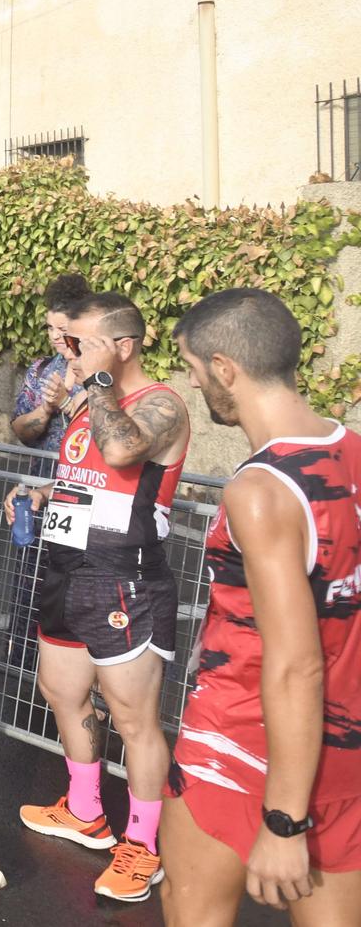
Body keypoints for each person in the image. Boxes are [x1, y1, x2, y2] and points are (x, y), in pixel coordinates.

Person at [163, 287, 361, 924]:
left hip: (244, 743)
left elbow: (294, 664)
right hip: (344, 751)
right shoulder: (353, 451)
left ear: (226, 368)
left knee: (190, 910)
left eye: (195, 371)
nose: (196, 388)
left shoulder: (260, 489)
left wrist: (283, 820)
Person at [13, 291, 189, 902]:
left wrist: (101, 380)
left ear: (123, 346)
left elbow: (122, 452)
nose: (67, 352)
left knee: (136, 718)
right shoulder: (90, 404)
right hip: (66, 569)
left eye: (81, 342)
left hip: (124, 575)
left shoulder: (160, 402)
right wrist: (44, 494)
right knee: (60, 690)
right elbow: (87, 477)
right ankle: (86, 808)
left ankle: (142, 847)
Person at [10, 272, 93, 451]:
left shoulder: (101, 373)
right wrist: (46, 408)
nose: (55, 336)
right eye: (49, 328)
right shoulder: (40, 369)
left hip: (80, 475)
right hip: (41, 475)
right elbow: (19, 430)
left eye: (62, 329)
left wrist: (66, 404)